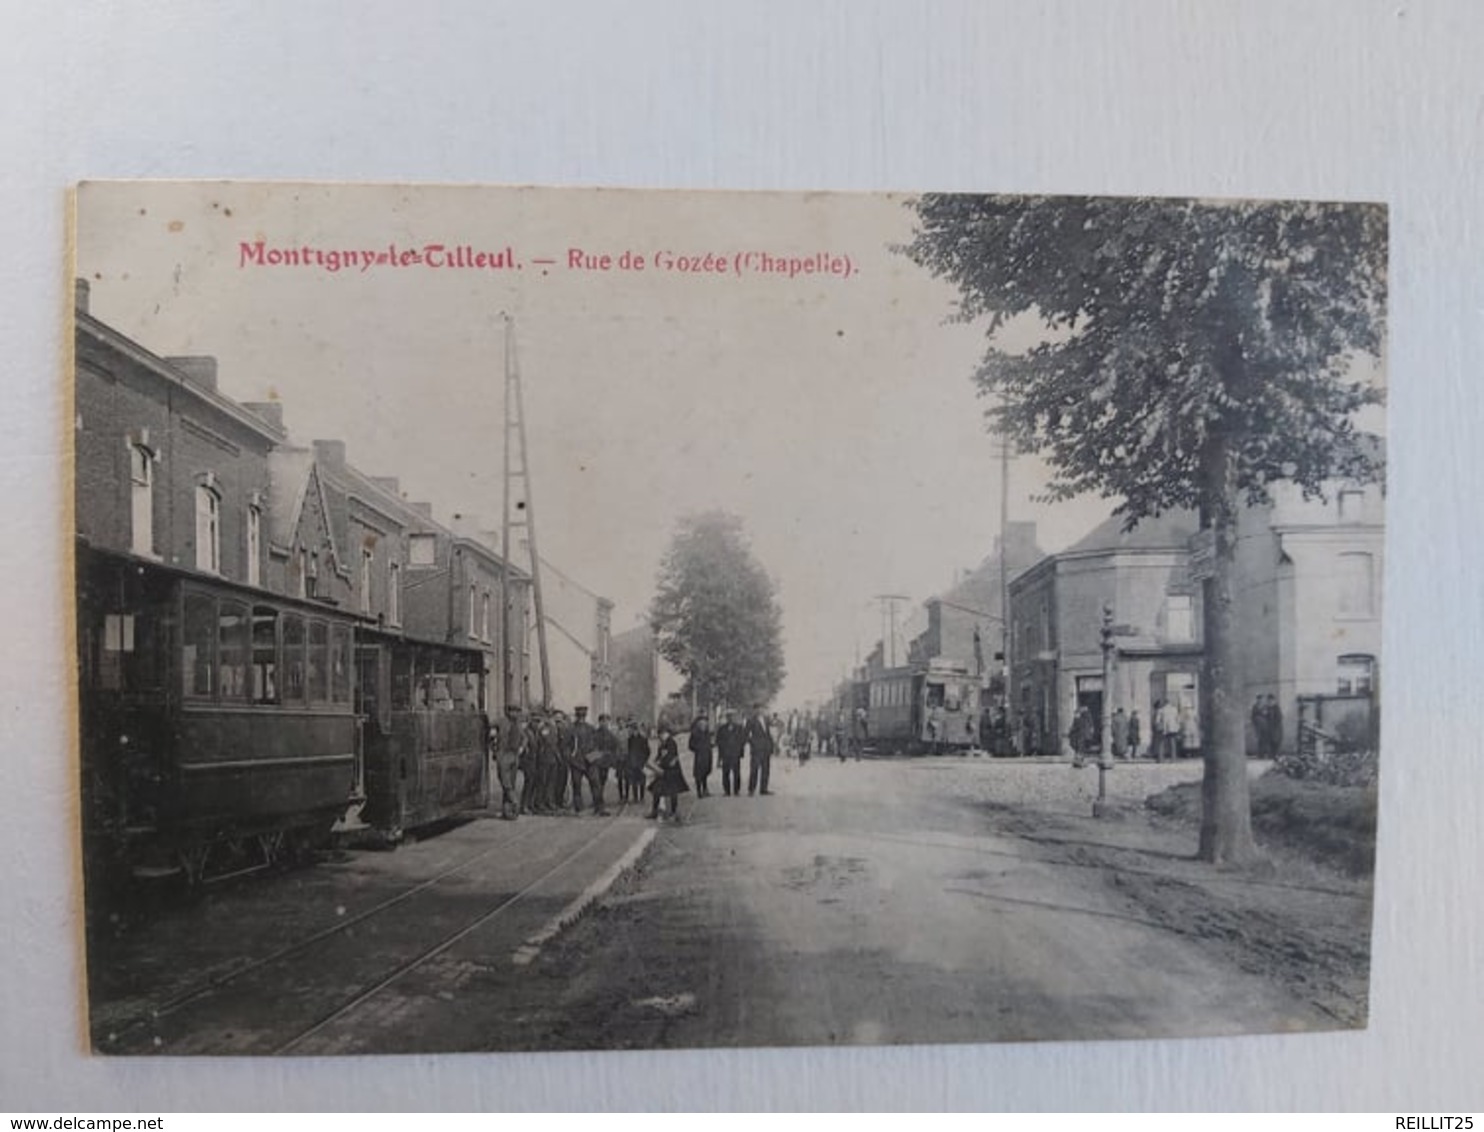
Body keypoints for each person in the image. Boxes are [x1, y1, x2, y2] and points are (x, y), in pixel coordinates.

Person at [569, 706, 607, 815]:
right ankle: (578, 808)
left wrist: (594, 756)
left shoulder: (591, 728)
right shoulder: (571, 729)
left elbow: (597, 744)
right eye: (579, 715)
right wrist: (570, 758)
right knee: (576, 785)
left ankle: (599, 807)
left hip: (590, 761)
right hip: (576, 761)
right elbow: (566, 746)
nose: (581, 717)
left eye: (583, 715)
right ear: (576, 715)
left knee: (596, 784)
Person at [647, 724, 690, 821]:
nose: (660, 737)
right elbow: (659, 756)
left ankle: (674, 812)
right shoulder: (662, 744)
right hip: (664, 771)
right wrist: (655, 763)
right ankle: (655, 811)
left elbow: (671, 758)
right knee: (656, 790)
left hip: (672, 772)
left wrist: (659, 765)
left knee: (672, 792)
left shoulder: (671, 743)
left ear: (666, 733)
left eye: (661, 734)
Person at [492, 706, 525, 819]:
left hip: (505, 756)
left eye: (515, 711)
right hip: (514, 756)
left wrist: (493, 746)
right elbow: (524, 738)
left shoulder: (501, 721)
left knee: (505, 782)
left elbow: (489, 726)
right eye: (514, 711)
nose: (514, 713)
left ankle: (514, 802)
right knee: (510, 782)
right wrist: (521, 748)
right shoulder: (518, 724)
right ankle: (507, 811)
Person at [744, 704, 775, 795]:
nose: (759, 710)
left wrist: (771, 746)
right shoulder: (751, 721)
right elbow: (745, 734)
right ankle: (751, 789)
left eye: (761, 709)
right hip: (756, 749)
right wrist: (752, 742)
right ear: (754, 710)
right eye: (757, 709)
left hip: (766, 748)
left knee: (766, 769)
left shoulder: (766, 720)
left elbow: (769, 734)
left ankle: (764, 789)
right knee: (754, 769)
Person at [715, 709, 746, 796]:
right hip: (725, 754)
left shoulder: (739, 728)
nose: (730, 718)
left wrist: (740, 751)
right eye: (728, 717)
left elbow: (742, 740)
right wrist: (720, 755)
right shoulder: (722, 729)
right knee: (725, 773)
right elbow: (719, 741)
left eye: (732, 716)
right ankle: (727, 790)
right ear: (726, 718)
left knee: (736, 772)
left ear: (734, 718)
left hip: (735, 754)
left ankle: (736, 790)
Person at [623, 721, 651, 803]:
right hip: (632, 764)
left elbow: (648, 751)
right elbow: (628, 751)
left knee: (642, 781)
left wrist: (644, 761)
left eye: (635, 729)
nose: (634, 731)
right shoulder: (629, 740)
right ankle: (635, 798)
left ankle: (642, 798)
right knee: (634, 782)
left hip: (640, 764)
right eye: (633, 729)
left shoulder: (643, 739)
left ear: (638, 730)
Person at [688, 714, 715, 797]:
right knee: (698, 774)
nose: (704, 725)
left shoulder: (707, 733)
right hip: (699, 756)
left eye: (705, 723)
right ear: (698, 724)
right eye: (702, 723)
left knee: (705, 773)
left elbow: (710, 743)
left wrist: (711, 746)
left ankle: (705, 789)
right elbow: (690, 745)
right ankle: (699, 791)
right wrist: (697, 749)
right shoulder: (695, 733)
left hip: (707, 755)